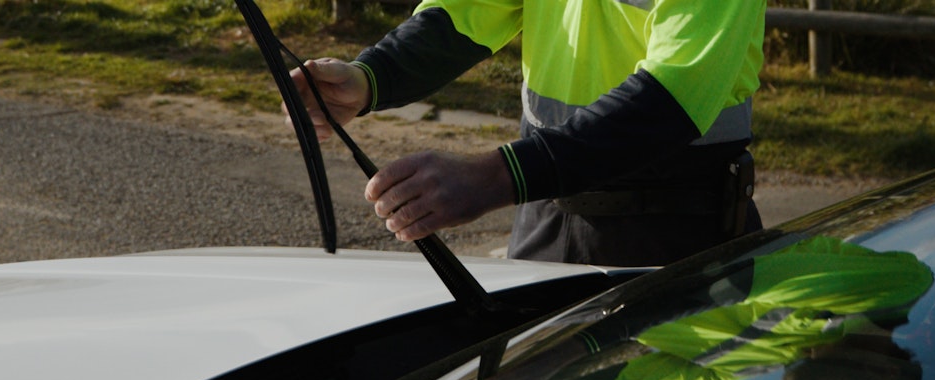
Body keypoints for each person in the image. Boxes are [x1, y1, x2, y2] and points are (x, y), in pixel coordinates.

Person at [290, 0, 766, 266]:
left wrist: (493, 177)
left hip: (676, 234)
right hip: (545, 211)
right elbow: (469, 11)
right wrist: (370, 77)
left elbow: (671, 98)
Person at [458, 236, 934, 380]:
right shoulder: (897, 289)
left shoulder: (755, 364)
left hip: (567, 290)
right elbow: (726, 282)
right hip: (644, 220)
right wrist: (563, 356)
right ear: (884, 372)